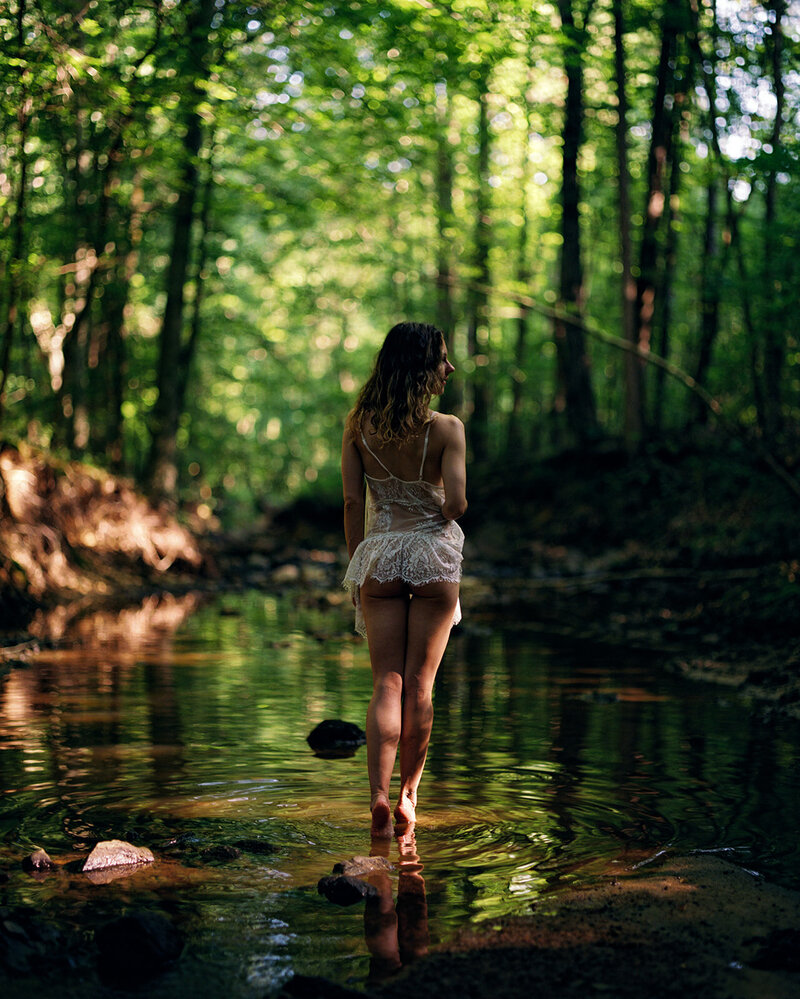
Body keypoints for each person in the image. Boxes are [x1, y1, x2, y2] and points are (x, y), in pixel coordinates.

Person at [341, 321, 467, 838]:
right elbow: (456, 504)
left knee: (386, 684)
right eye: (442, 358)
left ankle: (375, 796)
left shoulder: (358, 425)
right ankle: (408, 799)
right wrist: (444, 508)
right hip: (432, 558)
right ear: (422, 366)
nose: (450, 367)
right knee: (420, 686)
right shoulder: (447, 428)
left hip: (379, 556)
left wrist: (360, 563)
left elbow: (353, 502)